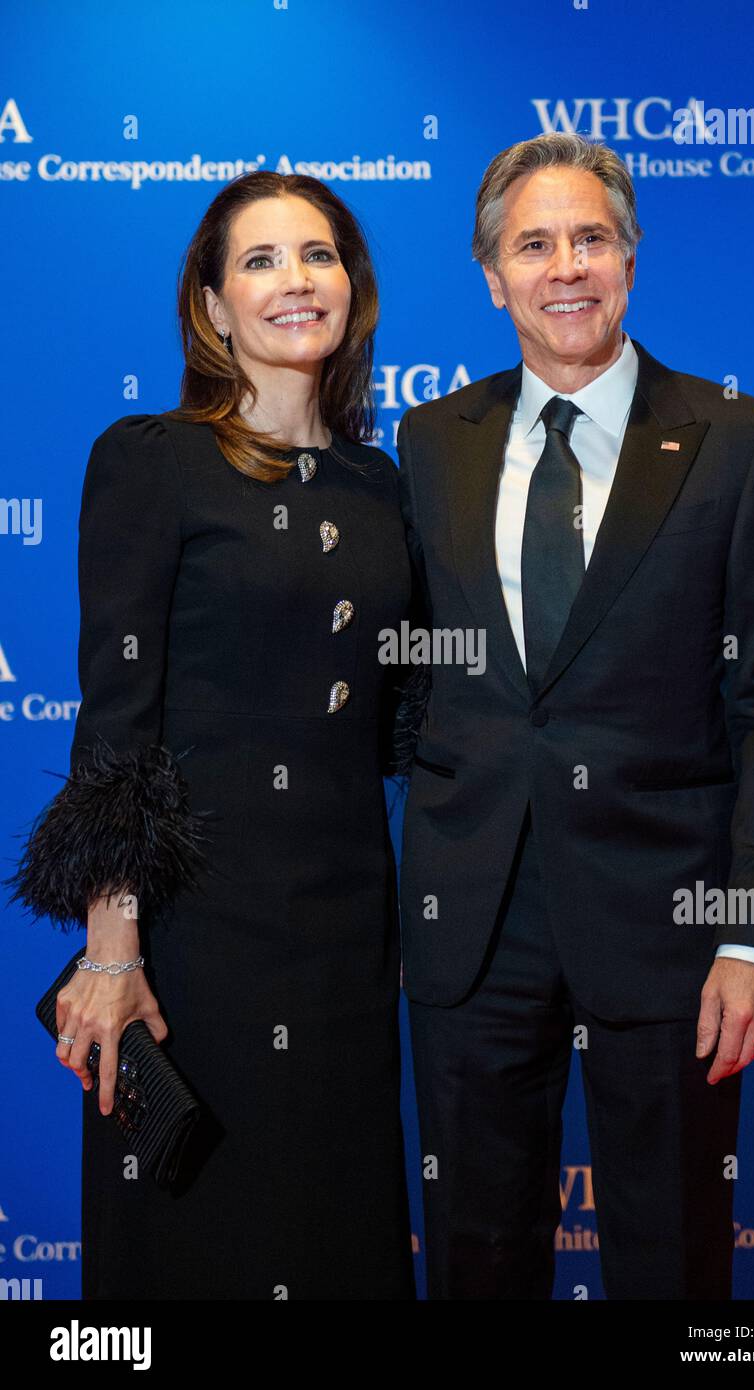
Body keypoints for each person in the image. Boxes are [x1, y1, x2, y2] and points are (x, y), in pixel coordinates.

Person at [395, 132, 754, 1300]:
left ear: (630, 259)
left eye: (590, 237)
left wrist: (752, 933)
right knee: (477, 1255)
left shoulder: (739, 443)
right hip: (472, 924)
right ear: (491, 275)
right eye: (532, 244)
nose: (565, 266)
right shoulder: (430, 441)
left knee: (675, 1257)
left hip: (674, 928)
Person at [8, 171, 416, 1300]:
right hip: (194, 934)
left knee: (335, 1234)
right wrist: (111, 948)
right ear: (212, 306)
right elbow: (118, 721)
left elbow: (400, 719)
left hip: (343, 932)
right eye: (260, 260)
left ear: (352, 288)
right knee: (195, 1245)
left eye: (319, 256)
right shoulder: (152, 458)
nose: (296, 281)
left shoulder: (383, 485)